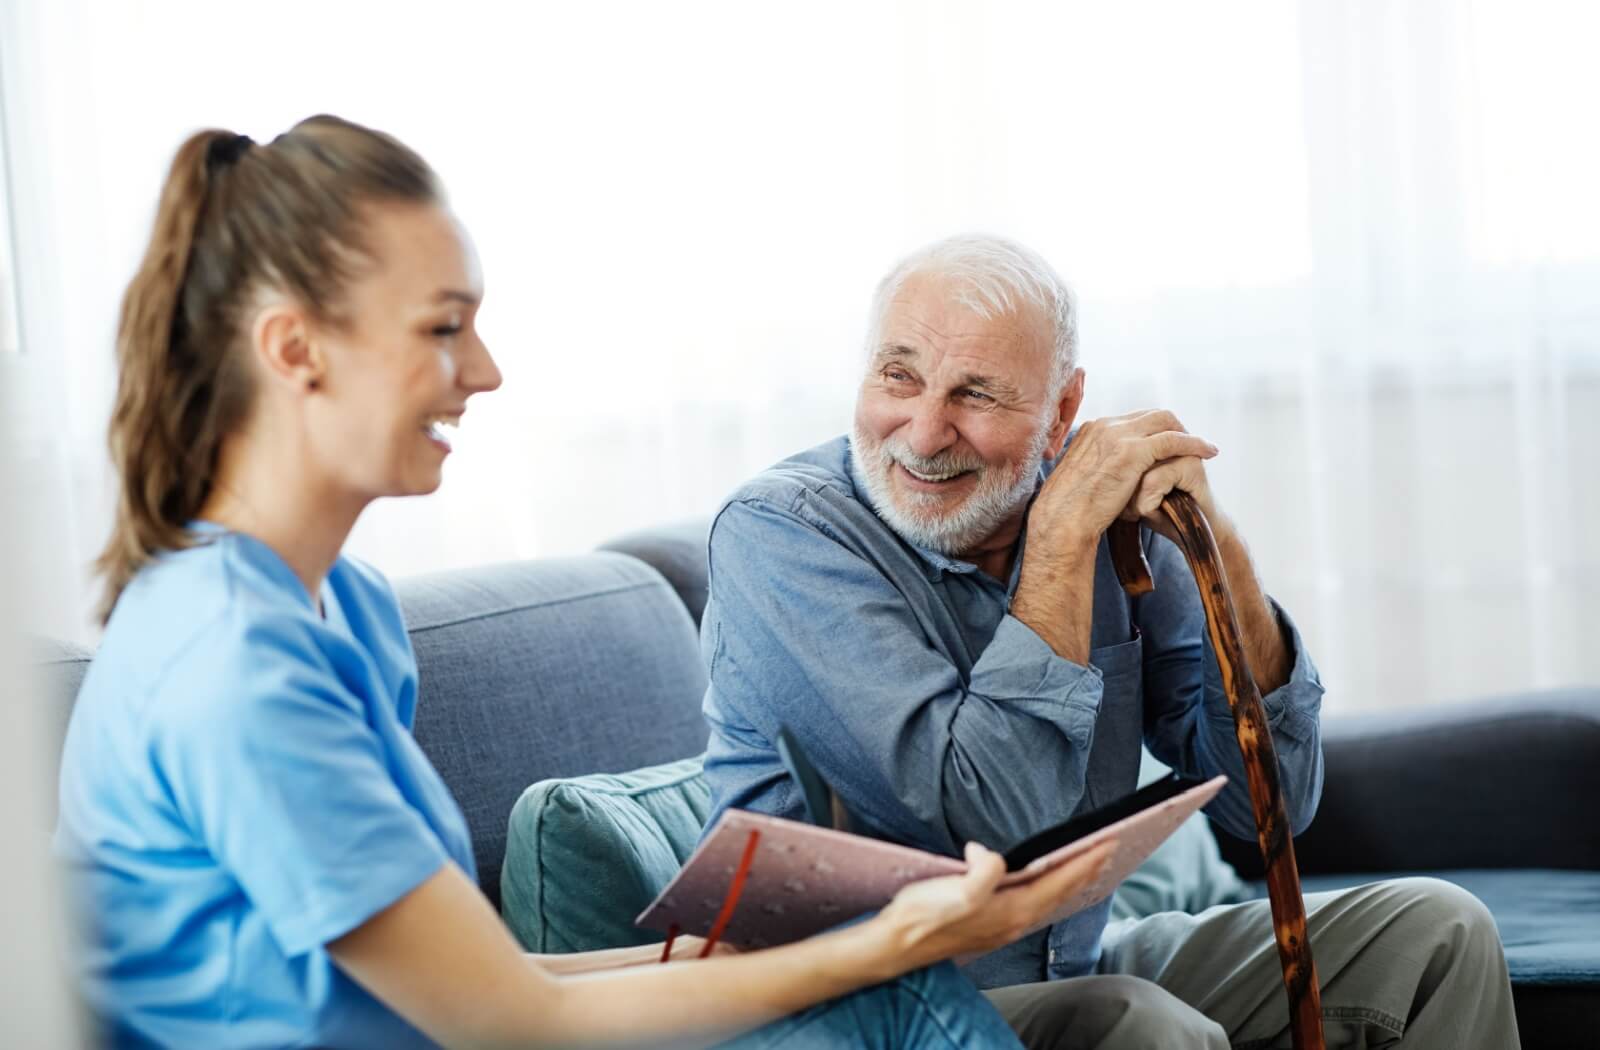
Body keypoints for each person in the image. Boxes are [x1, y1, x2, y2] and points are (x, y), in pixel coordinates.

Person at [53, 119, 1116, 1050]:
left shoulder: (347, 610)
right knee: (889, 996)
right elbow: (507, 1025)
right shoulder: (233, 667)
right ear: (296, 350)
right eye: (441, 327)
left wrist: (684, 969)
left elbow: (479, 987)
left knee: (882, 988)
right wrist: (900, 935)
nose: (486, 369)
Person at [697, 233, 1522, 1048]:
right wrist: (1058, 544)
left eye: (976, 394)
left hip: (1069, 969)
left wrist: (1217, 543)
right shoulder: (782, 538)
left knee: (1435, 934)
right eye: (899, 375)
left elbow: (1267, 802)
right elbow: (994, 824)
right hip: (871, 1015)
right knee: (1137, 1023)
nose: (922, 432)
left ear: (1061, 411)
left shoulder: (1103, 515)